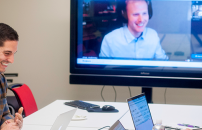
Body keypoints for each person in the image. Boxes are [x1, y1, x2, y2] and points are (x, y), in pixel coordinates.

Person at [99, 0, 168, 60]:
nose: (141, 20)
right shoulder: (109, 39)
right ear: (124, 14)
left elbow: (163, 62)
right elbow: (103, 71)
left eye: (144, 13)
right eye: (135, 14)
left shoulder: (153, 35)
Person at [0, 23, 23, 130]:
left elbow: (4, 114)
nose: (12, 61)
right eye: (7, 53)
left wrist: (11, 123)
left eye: (14, 53)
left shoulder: (1, 79)